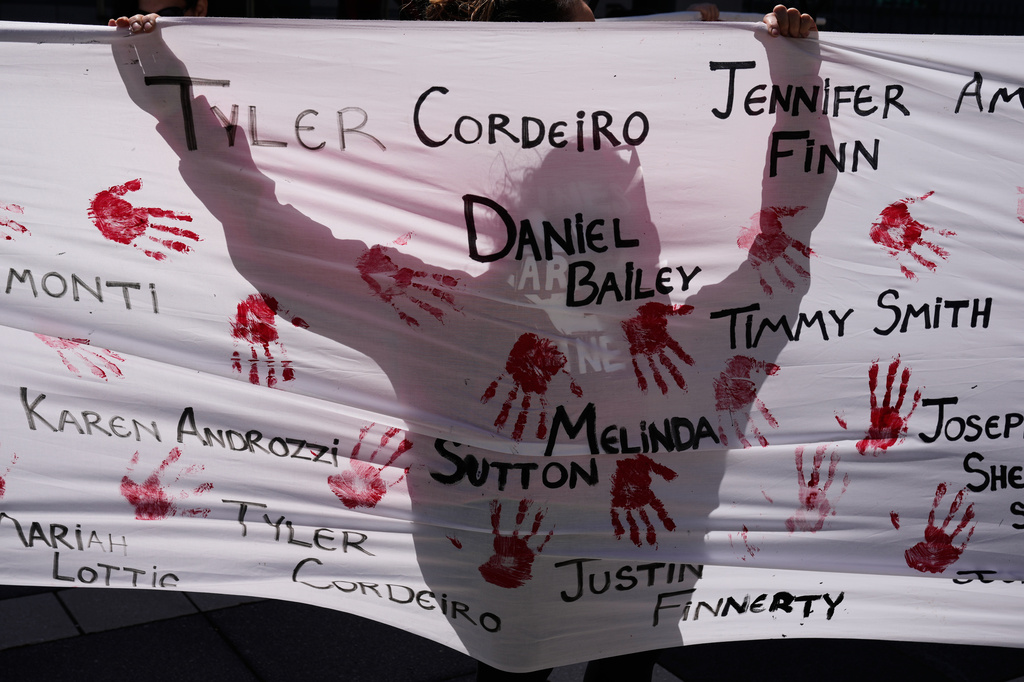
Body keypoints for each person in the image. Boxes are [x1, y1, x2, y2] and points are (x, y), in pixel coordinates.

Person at [108, 4, 819, 681]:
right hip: (625, 574)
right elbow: (788, 236)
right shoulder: (681, 340)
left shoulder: (450, 315)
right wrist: (796, 82)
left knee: (531, 679)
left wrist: (170, 97)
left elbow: (266, 232)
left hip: (527, 580)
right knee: (601, 676)